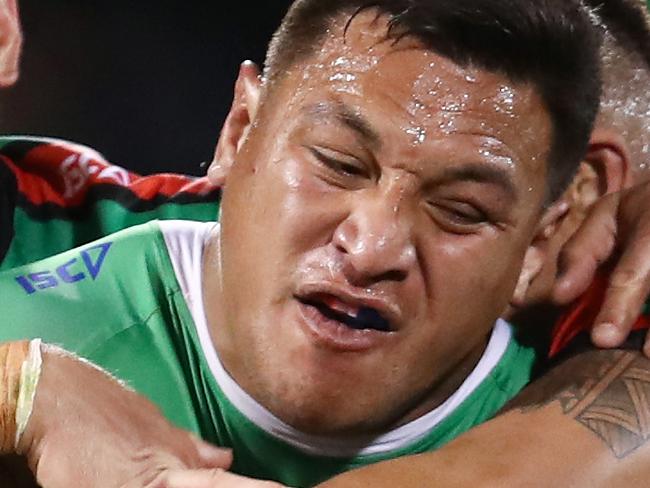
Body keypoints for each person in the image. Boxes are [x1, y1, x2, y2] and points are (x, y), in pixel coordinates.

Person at [0, 0, 603, 486]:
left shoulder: (590, 375)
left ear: (544, 238)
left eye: (460, 210)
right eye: (337, 164)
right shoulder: (34, 332)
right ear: (239, 132)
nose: (371, 250)